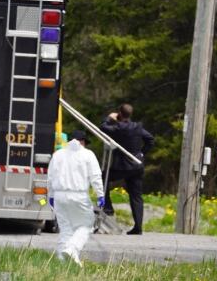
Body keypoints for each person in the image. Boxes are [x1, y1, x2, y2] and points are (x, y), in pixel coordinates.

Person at [47, 129, 104, 266]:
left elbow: (50, 177)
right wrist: (100, 194)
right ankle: (72, 249)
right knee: (86, 225)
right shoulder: (88, 154)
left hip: (59, 195)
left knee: (65, 228)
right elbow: (95, 176)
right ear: (83, 142)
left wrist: (51, 195)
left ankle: (62, 260)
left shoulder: (58, 154)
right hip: (78, 195)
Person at [100, 103, 155, 235]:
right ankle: (138, 227)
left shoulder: (117, 127)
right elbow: (150, 139)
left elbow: (103, 127)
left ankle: (108, 207)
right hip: (137, 166)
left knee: (103, 177)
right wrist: (142, 153)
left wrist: (109, 118)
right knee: (136, 196)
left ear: (119, 112)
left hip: (122, 166)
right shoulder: (137, 127)